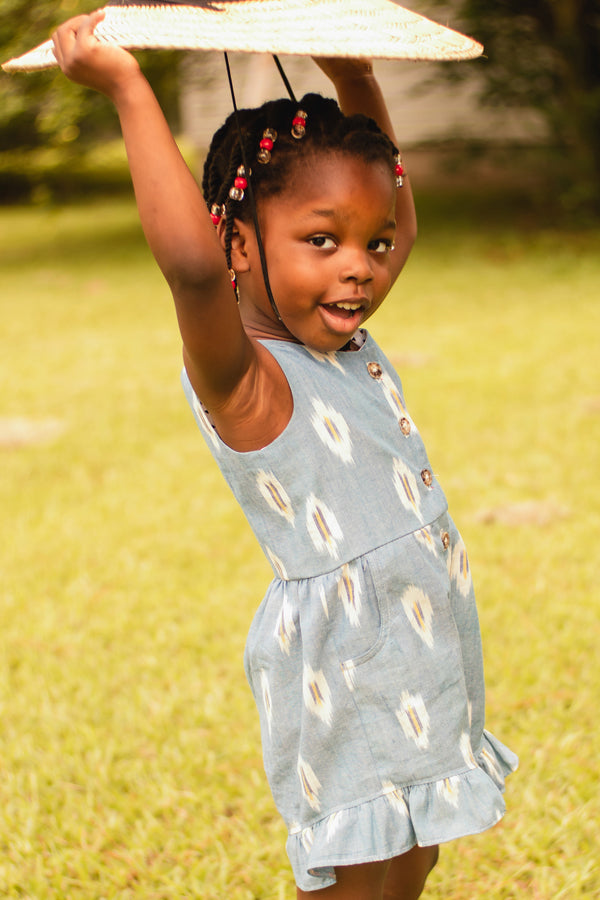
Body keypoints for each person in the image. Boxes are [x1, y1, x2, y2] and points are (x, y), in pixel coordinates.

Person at [51, 10, 517, 898]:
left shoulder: (345, 338)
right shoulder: (250, 382)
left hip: (423, 657)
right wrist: (126, 86)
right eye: (322, 240)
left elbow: (399, 223)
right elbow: (188, 269)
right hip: (351, 671)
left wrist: (358, 84)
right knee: (362, 875)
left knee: (414, 854)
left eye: (373, 246)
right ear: (237, 244)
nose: (363, 269)